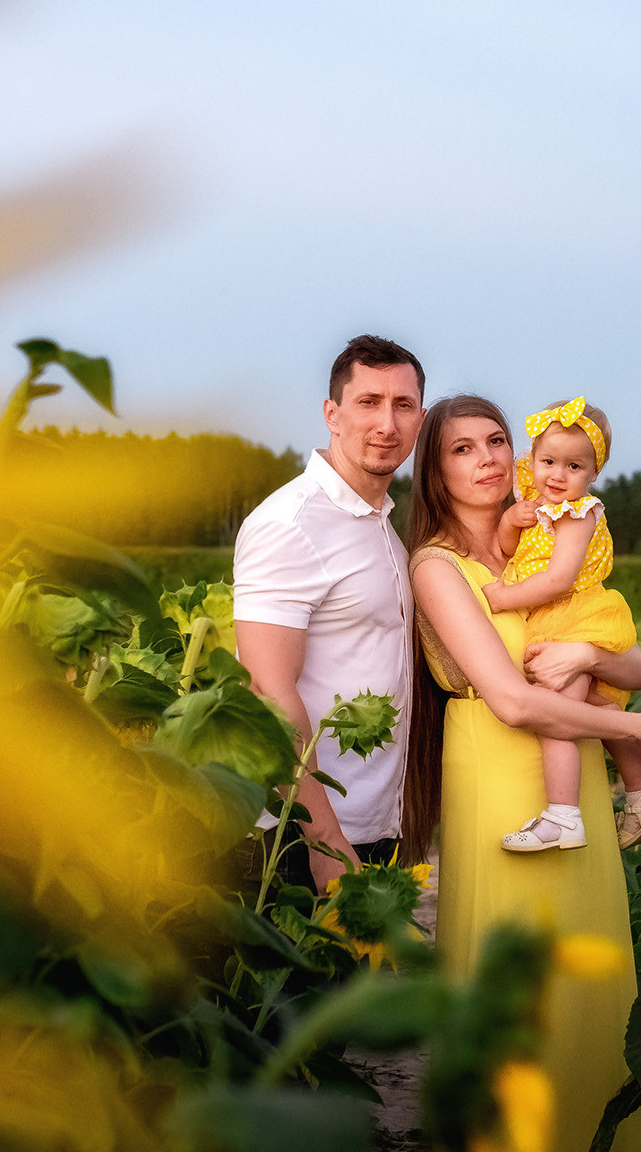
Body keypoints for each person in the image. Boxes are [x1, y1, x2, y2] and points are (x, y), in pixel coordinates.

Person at [400, 395, 641, 1152]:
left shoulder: (544, 544)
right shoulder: (437, 567)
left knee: (584, 975)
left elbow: (640, 665)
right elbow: (516, 701)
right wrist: (631, 730)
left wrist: (589, 657)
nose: (487, 458)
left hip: (572, 779)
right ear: (435, 471)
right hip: (496, 770)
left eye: (495, 441)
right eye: (462, 449)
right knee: (513, 969)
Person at [234, 335, 424, 892]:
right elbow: (267, 688)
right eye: (368, 402)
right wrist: (324, 841)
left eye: (403, 405)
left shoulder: (379, 523)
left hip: (372, 825)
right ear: (332, 414)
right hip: (299, 837)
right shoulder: (292, 523)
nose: (387, 424)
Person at [480, 398, 641, 854]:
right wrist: (511, 519)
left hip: (572, 616)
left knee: (558, 720)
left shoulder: (578, 513)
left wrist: (503, 597)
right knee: (599, 711)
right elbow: (511, 548)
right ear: (532, 460)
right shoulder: (539, 505)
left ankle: (562, 815)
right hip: (564, 618)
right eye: (547, 462)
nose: (557, 475)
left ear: (592, 474)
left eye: (574, 466)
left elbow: (558, 578)